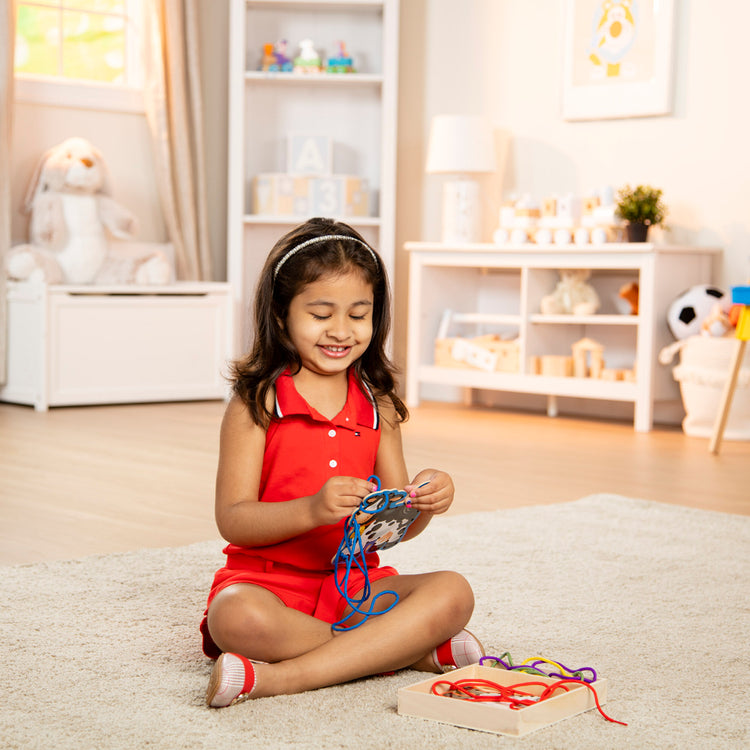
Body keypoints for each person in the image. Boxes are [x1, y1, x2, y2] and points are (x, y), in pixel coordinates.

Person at [202, 218, 483, 707]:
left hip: (356, 589)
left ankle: (279, 678)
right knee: (234, 617)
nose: (340, 331)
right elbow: (233, 520)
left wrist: (424, 502)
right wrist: (312, 509)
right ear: (280, 314)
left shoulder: (380, 407)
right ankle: (397, 651)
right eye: (320, 313)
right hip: (268, 587)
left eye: (358, 314)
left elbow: (395, 528)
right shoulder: (256, 404)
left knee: (454, 592)